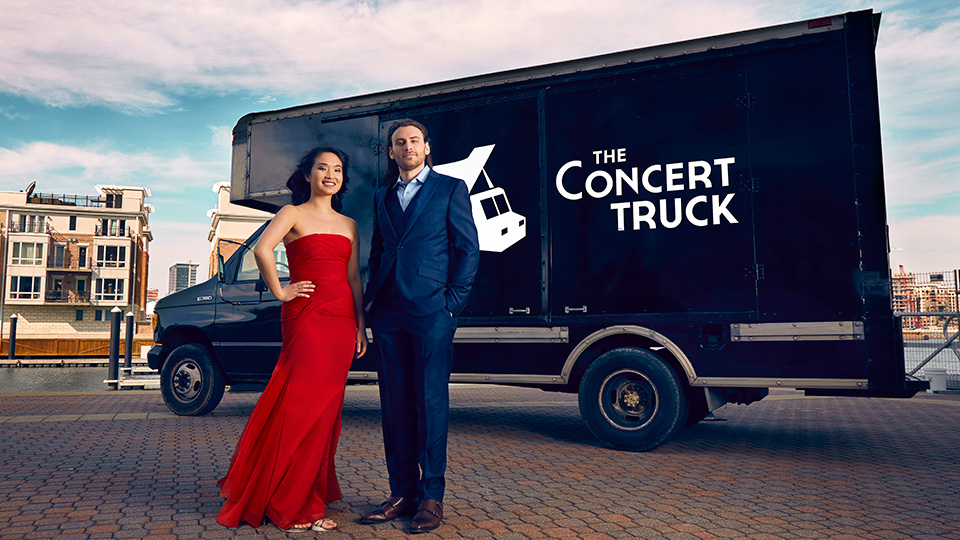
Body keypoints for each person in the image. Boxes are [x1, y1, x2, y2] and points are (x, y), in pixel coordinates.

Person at [216, 146, 367, 533]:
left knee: (327, 411)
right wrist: (281, 291)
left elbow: (353, 279)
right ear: (308, 175)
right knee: (301, 406)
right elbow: (263, 249)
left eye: (336, 170)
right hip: (306, 317)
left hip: (341, 320)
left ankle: (303, 492)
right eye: (322, 168)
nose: (330, 175)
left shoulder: (349, 224)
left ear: (342, 179)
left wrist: (361, 323)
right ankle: (290, 503)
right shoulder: (292, 213)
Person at [360, 119, 480, 533]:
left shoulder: (450, 189)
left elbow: (467, 249)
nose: (407, 147)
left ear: (427, 147)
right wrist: (372, 303)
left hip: (432, 311)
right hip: (389, 313)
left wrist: (451, 305)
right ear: (391, 152)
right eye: (399, 142)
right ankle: (401, 493)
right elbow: (379, 252)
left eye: (414, 141)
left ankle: (432, 497)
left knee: (430, 403)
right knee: (394, 405)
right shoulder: (382, 196)